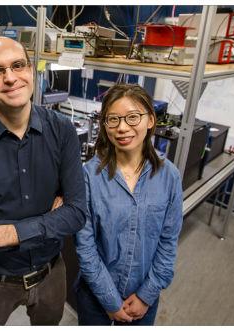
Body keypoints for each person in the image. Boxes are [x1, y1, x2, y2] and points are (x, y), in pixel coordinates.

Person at [0, 36, 86, 325]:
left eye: (18, 65)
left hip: (51, 273)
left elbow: (76, 213)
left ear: (31, 69)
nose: (10, 78)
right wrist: (49, 220)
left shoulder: (62, 131)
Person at [75, 84, 183, 325]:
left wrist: (147, 295)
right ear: (105, 126)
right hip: (95, 296)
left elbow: (168, 243)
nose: (122, 128)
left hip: (144, 297)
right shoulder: (89, 176)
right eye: (113, 119)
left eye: (133, 117)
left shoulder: (169, 177)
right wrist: (109, 300)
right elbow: (85, 246)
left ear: (151, 120)